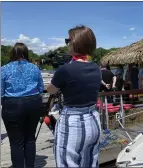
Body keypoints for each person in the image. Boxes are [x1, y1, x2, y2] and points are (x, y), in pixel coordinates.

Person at [46, 25, 102, 168]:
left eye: (68, 40)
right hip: (93, 119)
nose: (66, 44)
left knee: (67, 162)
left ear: (76, 42)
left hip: (72, 121)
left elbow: (51, 90)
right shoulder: (96, 67)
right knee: (90, 162)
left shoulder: (65, 69)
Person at [1, 43, 44, 168]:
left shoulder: (4, 69)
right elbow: (41, 88)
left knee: (16, 142)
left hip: (12, 104)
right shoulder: (35, 68)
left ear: (12, 54)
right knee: (30, 138)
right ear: (26, 53)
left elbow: (1, 91)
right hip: (33, 103)